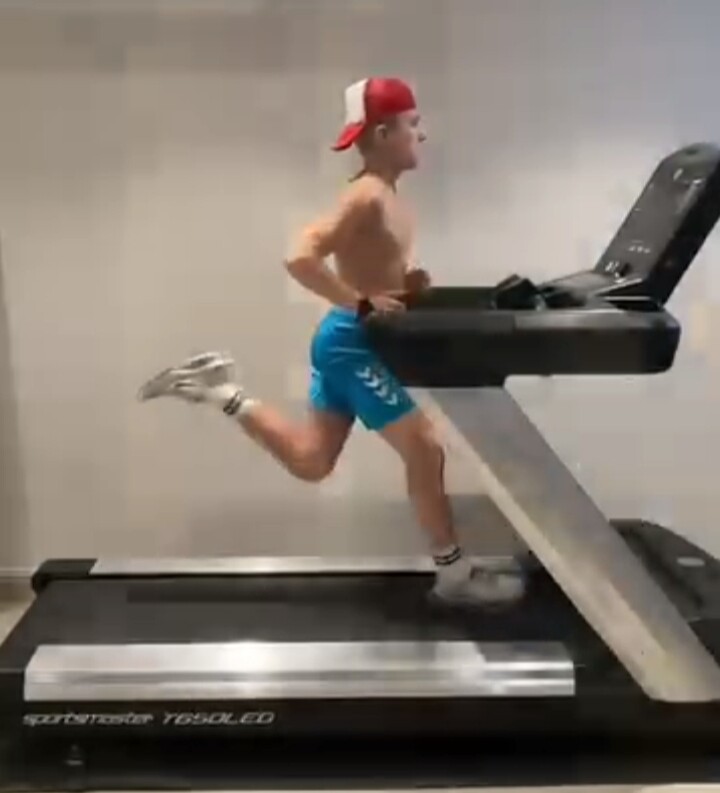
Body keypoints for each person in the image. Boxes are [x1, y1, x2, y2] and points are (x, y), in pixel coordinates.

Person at [138, 76, 526, 608]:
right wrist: (361, 304)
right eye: (413, 124)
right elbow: (300, 256)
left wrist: (407, 286)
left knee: (312, 462)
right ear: (384, 133)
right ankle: (453, 573)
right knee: (425, 447)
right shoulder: (365, 196)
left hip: (352, 341)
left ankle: (221, 392)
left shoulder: (386, 195)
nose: (422, 134)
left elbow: (372, 268)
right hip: (353, 344)